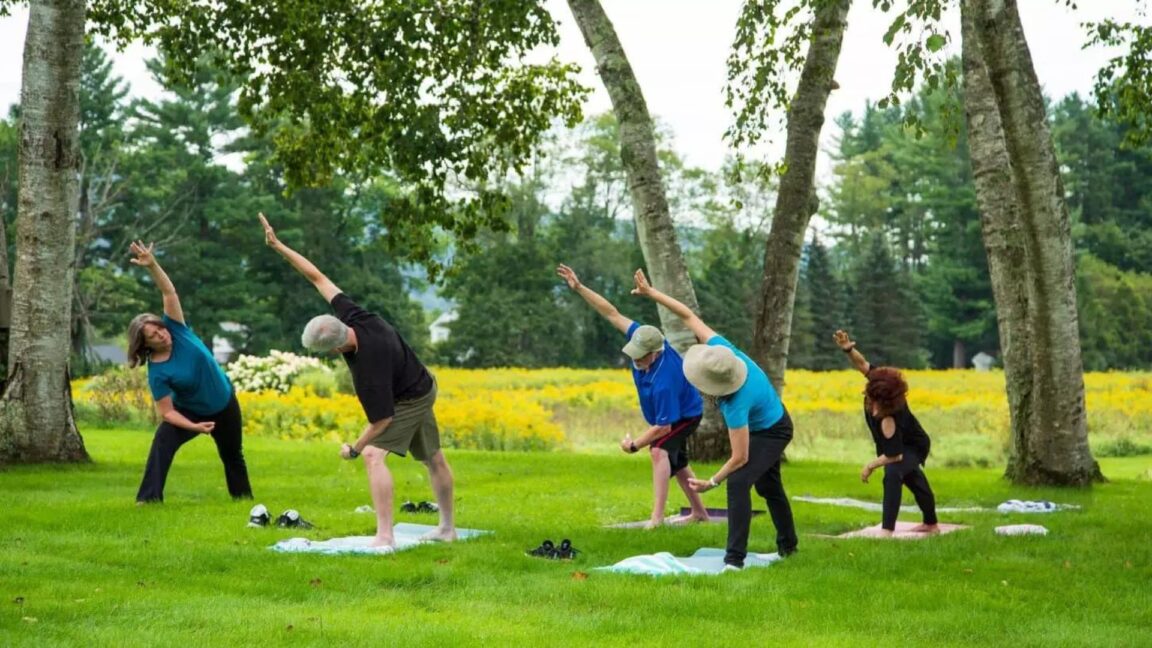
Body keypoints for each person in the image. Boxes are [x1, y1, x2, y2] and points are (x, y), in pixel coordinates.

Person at [260, 214, 455, 550]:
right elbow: (317, 277)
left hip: (411, 397)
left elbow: (382, 420)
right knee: (433, 458)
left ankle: (384, 536)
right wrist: (279, 246)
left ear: (336, 348)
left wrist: (354, 447)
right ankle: (447, 529)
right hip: (422, 382)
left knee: (373, 456)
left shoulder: (369, 370)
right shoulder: (355, 316)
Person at [631, 269, 797, 568]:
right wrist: (652, 293)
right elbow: (688, 316)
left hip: (774, 429)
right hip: (764, 422)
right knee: (768, 487)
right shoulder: (721, 351)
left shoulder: (735, 402)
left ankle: (734, 561)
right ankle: (789, 549)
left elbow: (740, 457)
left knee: (739, 482)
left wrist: (712, 481)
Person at [556, 264, 709, 529]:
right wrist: (580, 288)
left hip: (686, 414)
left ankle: (657, 520)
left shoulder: (665, 379)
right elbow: (611, 313)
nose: (635, 358)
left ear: (656, 352)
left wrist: (634, 445)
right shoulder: (644, 338)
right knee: (679, 461)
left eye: (641, 355)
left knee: (659, 450)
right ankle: (700, 514)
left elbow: (664, 427)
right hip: (673, 413)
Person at [126, 241, 253, 504]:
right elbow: (167, 412)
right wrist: (194, 426)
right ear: (145, 344)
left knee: (232, 455)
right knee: (163, 441)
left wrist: (153, 266)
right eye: (154, 335)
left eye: (159, 328)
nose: (162, 334)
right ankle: (148, 499)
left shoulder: (177, 329)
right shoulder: (158, 371)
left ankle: (243, 501)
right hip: (191, 411)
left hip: (224, 402)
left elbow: (169, 292)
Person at [833, 330, 938, 535]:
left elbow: (894, 455)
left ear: (885, 401)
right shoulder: (879, 383)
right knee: (913, 478)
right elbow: (862, 364)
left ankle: (887, 531)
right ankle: (931, 524)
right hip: (899, 445)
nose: (866, 394)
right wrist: (849, 349)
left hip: (913, 445)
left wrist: (870, 466)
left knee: (893, 473)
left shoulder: (889, 418)